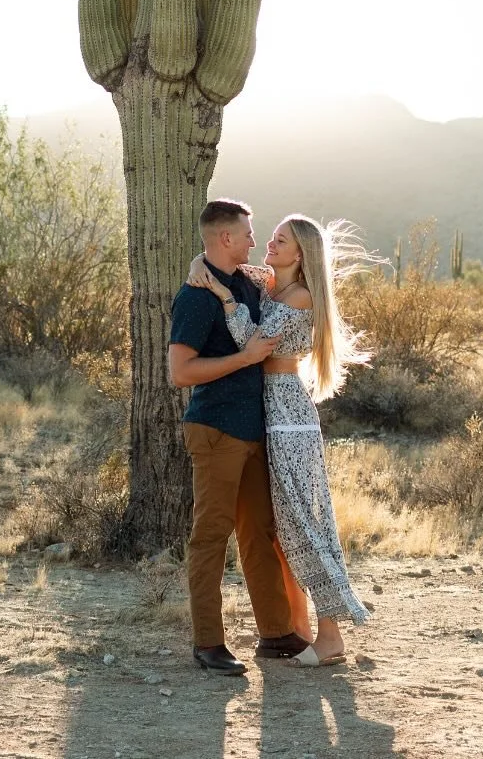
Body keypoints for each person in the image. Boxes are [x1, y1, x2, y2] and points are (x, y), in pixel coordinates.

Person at [189, 212, 371, 667]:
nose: (269, 244)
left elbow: (254, 342)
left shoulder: (303, 296)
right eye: (269, 237)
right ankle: (300, 629)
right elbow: (214, 258)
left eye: (280, 240)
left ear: (301, 253)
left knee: (306, 525)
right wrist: (199, 263)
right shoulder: (265, 281)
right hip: (263, 414)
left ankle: (330, 637)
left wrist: (224, 300)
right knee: (281, 530)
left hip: (288, 415)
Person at [168, 199, 310, 675]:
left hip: (255, 430)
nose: (255, 239)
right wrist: (244, 358)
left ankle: (274, 634)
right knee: (211, 535)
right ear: (225, 238)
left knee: (260, 533)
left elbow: (288, 279)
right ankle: (208, 644)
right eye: (247, 233)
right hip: (215, 429)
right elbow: (180, 372)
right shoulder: (195, 297)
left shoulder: (247, 284)